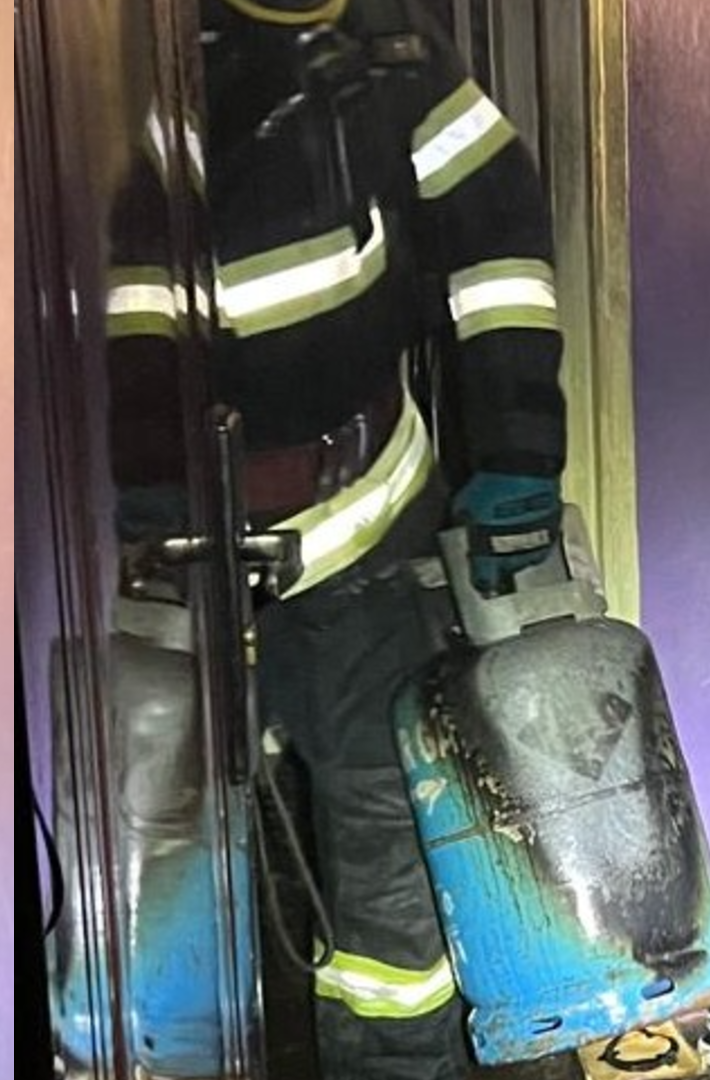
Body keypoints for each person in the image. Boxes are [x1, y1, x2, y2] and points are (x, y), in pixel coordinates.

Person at [206, 0, 566, 1076]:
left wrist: (516, 447)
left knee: (391, 854)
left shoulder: (381, 42)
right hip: (150, 565)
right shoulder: (93, 57)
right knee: (171, 872)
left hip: (363, 529)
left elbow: (498, 231)